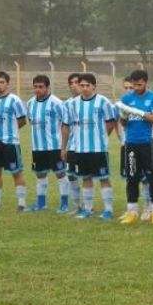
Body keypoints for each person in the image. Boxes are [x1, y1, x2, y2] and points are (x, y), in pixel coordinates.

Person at [61, 73, 116, 220]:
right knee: (86, 178)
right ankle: (88, 209)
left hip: (98, 149)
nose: (84, 88)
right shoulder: (72, 104)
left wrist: (101, 138)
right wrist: (63, 147)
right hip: (80, 149)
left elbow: (110, 123)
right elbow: (66, 126)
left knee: (103, 178)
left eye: (87, 85)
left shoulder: (103, 102)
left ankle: (108, 210)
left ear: (94, 86)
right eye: (82, 85)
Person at [118, 70, 153, 224]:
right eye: (133, 85)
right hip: (131, 143)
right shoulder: (126, 98)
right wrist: (124, 115)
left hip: (148, 143)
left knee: (152, 177)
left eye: (139, 84)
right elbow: (123, 123)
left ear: (145, 82)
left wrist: (137, 111)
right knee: (132, 178)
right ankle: (132, 211)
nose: (136, 88)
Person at [0, 71, 28, 211]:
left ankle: (21, 202)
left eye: (2, 82)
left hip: (10, 143)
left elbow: (22, 120)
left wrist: (11, 131)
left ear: (7, 84)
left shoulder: (14, 100)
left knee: (16, 172)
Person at [26, 75, 68, 213]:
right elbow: (31, 122)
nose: (37, 89)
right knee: (40, 174)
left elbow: (65, 124)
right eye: (35, 87)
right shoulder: (30, 103)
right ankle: (41, 203)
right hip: (38, 147)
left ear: (47, 87)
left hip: (54, 147)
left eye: (40, 87)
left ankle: (64, 204)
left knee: (60, 174)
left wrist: (63, 147)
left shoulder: (56, 103)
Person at [62, 72, 83, 214]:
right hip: (72, 146)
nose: (74, 86)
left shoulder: (94, 102)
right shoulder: (67, 104)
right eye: (71, 83)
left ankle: (89, 205)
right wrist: (63, 147)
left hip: (89, 147)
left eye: (77, 83)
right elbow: (65, 126)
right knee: (71, 175)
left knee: (89, 176)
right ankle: (76, 205)